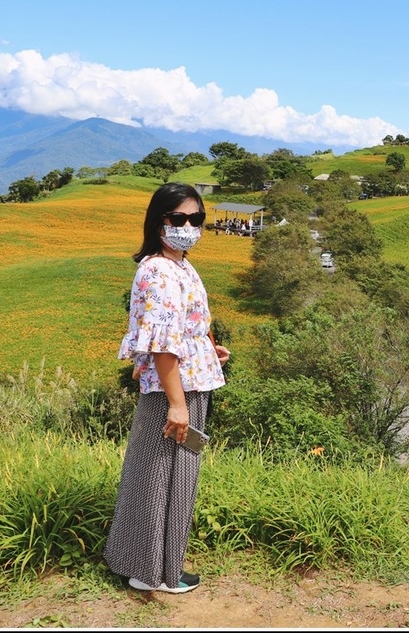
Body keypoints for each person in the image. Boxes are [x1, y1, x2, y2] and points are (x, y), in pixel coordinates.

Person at [104, 182, 230, 594]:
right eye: (179, 218)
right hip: (176, 392)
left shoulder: (179, 264)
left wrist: (210, 349)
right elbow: (161, 343)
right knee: (162, 474)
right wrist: (178, 406)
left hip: (187, 382)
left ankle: (152, 563)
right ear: (159, 220)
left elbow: (184, 327)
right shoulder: (158, 269)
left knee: (172, 472)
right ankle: (153, 571)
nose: (188, 226)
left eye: (196, 218)